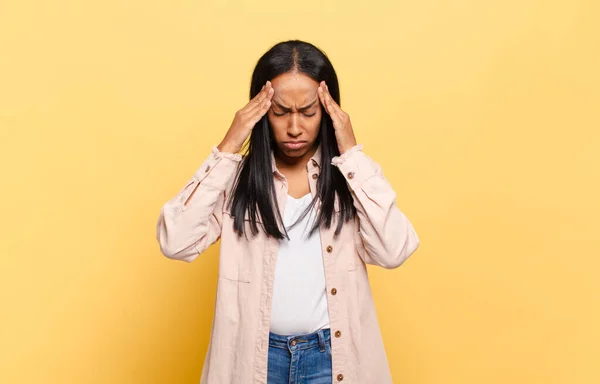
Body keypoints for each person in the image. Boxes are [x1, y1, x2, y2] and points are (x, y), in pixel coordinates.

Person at [156, 39, 420, 384]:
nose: (294, 128)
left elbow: (394, 251)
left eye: (309, 112)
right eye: (280, 112)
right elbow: (175, 241)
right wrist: (228, 146)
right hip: (254, 361)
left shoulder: (351, 178)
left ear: (328, 111)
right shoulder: (236, 180)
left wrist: (352, 152)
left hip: (331, 361)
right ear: (261, 110)